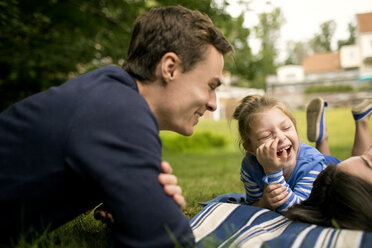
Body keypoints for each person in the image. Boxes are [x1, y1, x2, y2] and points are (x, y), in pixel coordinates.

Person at [0, 5, 233, 247]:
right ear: (170, 68)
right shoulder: (119, 111)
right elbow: (169, 239)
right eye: (210, 85)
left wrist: (134, 199)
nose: (213, 104)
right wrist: (157, 208)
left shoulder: (110, 95)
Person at [232, 95, 337, 214]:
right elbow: (252, 205)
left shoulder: (312, 164)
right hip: (318, 166)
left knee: (360, 171)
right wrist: (264, 203)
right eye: (266, 135)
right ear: (250, 148)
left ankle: (361, 121)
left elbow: (298, 209)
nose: (281, 137)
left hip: (335, 170)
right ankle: (321, 137)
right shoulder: (250, 166)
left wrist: (273, 172)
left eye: (286, 128)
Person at [286, 98, 372, 231]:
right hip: (318, 167)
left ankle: (359, 123)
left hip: (319, 167)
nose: (370, 146)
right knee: (326, 165)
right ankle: (325, 136)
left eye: (368, 161)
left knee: (326, 165)